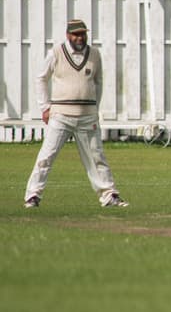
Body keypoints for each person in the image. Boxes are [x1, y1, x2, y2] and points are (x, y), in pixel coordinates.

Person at [24, 19, 127, 208]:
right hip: (61, 115)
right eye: (76, 34)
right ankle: (32, 195)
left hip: (87, 116)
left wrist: (95, 108)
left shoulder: (95, 54)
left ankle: (109, 195)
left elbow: (99, 82)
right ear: (68, 35)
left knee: (97, 157)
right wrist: (45, 107)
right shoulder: (56, 52)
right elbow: (41, 78)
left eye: (83, 34)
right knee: (47, 155)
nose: (80, 37)